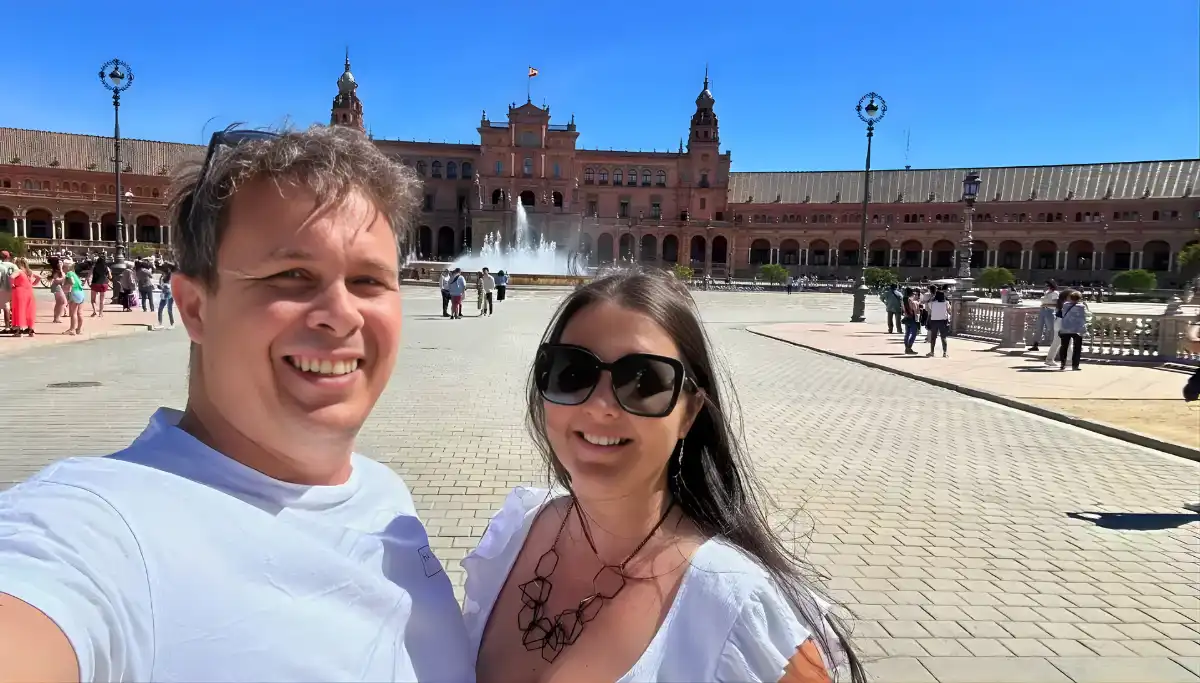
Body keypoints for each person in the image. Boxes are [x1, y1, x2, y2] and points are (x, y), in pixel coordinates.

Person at [0, 125, 473, 682]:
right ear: (195, 307)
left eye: (369, 280)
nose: (341, 314)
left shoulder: (385, 497)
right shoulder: (98, 529)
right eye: (292, 275)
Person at [463, 271, 864, 683]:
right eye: (572, 371)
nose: (601, 405)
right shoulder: (515, 532)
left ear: (689, 412)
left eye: (644, 380)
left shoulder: (738, 615)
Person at [7, 257, 41, 336]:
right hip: (29, 292)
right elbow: (39, 277)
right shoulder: (29, 272)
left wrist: (12, 284)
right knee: (29, 310)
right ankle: (31, 329)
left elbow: (11, 277)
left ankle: (19, 331)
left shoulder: (19, 271)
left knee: (19, 310)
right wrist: (32, 284)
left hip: (19, 291)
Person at [1057, 290, 1088, 371]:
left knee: (1064, 347)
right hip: (1077, 329)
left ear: (1070, 298)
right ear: (1079, 298)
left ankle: (1062, 364)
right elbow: (1083, 318)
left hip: (1065, 328)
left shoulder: (1065, 305)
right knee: (1077, 348)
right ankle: (1075, 365)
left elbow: (1063, 315)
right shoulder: (1081, 307)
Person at [1028, 279, 1058, 352]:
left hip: (1049, 310)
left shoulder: (1055, 293)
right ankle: (1035, 344)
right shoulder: (1047, 292)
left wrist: (1046, 304)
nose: (1045, 286)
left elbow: (1056, 303)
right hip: (1043, 310)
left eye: (1047, 285)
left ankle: (1054, 344)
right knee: (1039, 327)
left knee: (1051, 328)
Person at [926, 289, 950, 358]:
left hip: (934, 321)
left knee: (933, 337)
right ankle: (945, 353)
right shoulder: (946, 302)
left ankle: (932, 352)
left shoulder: (932, 303)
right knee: (943, 337)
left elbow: (929, 309)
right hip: (943, 321)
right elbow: (949, 311)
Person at [65, 260, 86, 335]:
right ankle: (79, 329)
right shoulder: (74, 274)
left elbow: (72, 282)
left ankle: (72, 329)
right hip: (81, 293)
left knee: (73, 313)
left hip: (75, 292)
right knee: (80, 313)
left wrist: (69, 283)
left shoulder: (69, 273)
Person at [0, 250, 17, 330]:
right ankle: (13, 325)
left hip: (3, 287)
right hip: (13, 287)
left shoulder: (0, 265)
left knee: (5, 306)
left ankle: (7, 326)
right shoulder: (13, 265)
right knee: (11, 306)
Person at [90, 253, 111, 317]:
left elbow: (90, 275)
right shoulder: (107, 268)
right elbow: (110, 277)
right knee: (102, 300)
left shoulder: (94, 267)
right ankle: (101, 313)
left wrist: (88, 282)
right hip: (104, 284)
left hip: (95, 283)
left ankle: (94, 311)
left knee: (93, 300)